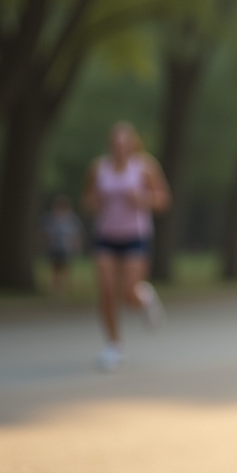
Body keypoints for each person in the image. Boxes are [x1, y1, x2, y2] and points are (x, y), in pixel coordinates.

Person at [82, 122, 170, 371]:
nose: (120, 147)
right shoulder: (99, 168)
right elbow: (87, 201)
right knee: (107, 290)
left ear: (133, 144)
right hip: (106, 236)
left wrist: (143, 198)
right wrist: (95, 200)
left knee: (129, 293)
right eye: (116, 143)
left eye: (124, 142)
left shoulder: (145, 167)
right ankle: (114, 346)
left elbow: (163, 200)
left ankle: (145, 298)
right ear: (110, 145)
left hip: (135, 236)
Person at [43, 194, 83, 299]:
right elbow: (46, 234)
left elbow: (75, 235)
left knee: (66, 268)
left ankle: (63, 290)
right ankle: (55, 290)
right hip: (54, 248)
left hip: (66, 248)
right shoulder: (50, 219)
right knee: (55, 269)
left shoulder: (72, 219)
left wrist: (76, 246)